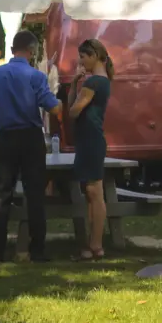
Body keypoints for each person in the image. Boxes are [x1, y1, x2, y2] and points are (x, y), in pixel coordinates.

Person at [0, 28, 60, 262]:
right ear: (32, 51)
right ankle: (37, 250)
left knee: (1, 194)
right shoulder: (36, 76)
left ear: (12, 49)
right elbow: (51, 106)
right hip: (31, 138)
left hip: (6, 137)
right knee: (35, 194)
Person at [66, 39, 115, 260]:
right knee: (90, 191)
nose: (81, 61)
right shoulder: (96, 81)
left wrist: (79, 91)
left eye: (83, 57)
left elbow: (73, 111)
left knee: (95, 191)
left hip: (91, 140)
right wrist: (74, 84)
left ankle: (96, 244)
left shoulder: (95, 82)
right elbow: (72, 108)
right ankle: (91, 242)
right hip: (87, 140)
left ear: (94, 56)